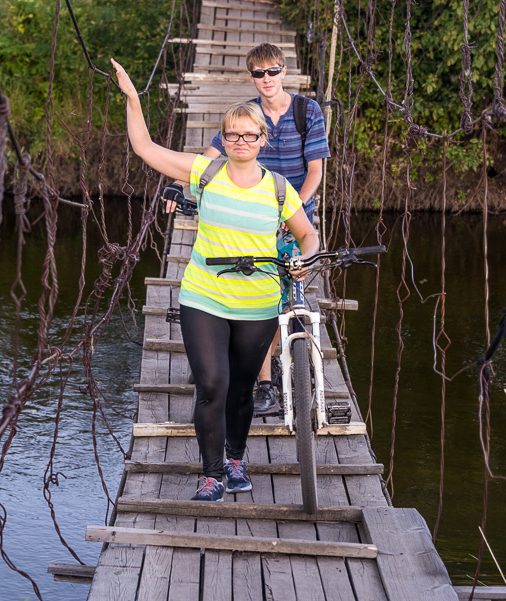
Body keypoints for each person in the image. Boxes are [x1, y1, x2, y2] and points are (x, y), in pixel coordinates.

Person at [111, 58, 320, 502]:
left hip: (258, 302)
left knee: (242, 388)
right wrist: (133, 98)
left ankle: (236, 458)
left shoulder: (279, 189)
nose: (241, 142)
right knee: (212, 384)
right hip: (203, 296)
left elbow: (308, 236)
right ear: (222, 139)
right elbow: (145, 148)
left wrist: (303, 260)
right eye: (232, 135)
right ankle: (210, 475)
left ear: (262, 140)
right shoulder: (204, 173)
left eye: (250, 135)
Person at [202, 43, 331, 414]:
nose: (266, 79)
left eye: (273, 71)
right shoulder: (248, 116)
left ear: (284, 72)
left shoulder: (308, 112)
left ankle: (271, 358)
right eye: (259, 73)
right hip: (253, 214)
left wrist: (293, 209)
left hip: (293, 214)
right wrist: (183, 183)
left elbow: (316, 170)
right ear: (250, 76)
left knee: (287, 292)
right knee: (261, 299)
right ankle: (263, 381)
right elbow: (211, 157)